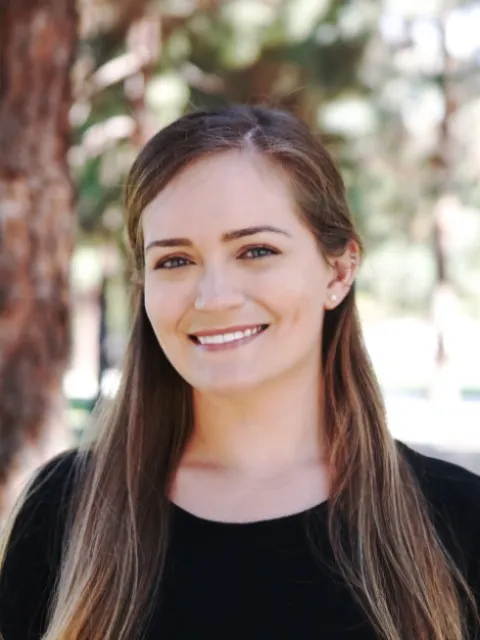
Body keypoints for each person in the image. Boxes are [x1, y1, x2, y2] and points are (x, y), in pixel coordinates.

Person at [0, 105, 479, 640]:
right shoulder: (65, 512)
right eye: (175, 260)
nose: (214, 298)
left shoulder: (459, 523)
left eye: (255, 250)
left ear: (339, 272)